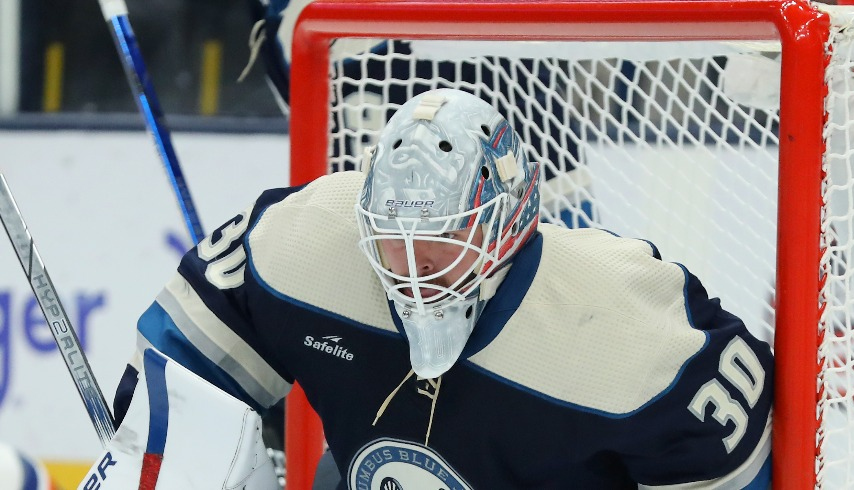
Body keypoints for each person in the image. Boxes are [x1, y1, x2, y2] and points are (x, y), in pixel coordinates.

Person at [111, 88, 774, 488]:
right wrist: (159, 445)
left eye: (441, 240)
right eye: (391, 238)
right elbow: (181, 360)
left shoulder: (628, 326)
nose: (411, 265)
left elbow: (732, 468)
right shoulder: (307, 236)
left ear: (506, 222)